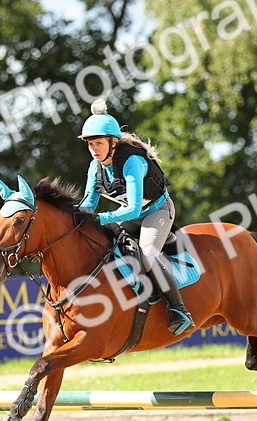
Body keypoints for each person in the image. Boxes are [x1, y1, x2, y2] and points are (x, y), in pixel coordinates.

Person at [76, 99, 195, 335]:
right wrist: (74, 216)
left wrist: (101, 218)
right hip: (131, 215)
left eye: (98, 143)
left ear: (113, 143)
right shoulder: (94, 167)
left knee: (148, 254)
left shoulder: (131, 161)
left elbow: (133, 209)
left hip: (157, 212)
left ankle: (179, 310)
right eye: (90, 144)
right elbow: (88, 204)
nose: (94, 149)